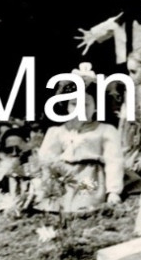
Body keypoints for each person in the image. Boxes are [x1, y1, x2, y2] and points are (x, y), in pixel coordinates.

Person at [34, 78, 125, 213]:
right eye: (74, 104)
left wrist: (113, 191)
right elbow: (46, 161)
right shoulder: (57, 132)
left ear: (96, 107)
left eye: (86, 104)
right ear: (66, 106)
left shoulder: (105, 130)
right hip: (63, 177)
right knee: (54, 206)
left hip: (89, 176)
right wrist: (42, 185)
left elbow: (114, 161)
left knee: (84, 205)